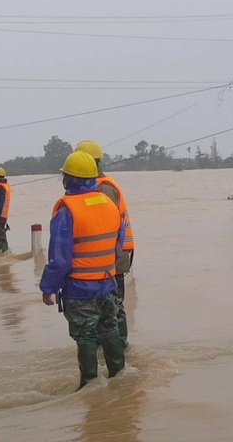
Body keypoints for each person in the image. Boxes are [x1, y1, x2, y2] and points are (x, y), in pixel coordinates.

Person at [40, 151, 126, 390]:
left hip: (79, 289)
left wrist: (48, 288)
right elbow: (117, 246)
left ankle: (89, 387)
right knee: (110, 330)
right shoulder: (109, 204)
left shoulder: (67, 209)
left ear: (70, 178)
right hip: (108, 283)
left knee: (86, 337)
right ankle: (120, 377)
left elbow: (59, 258)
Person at [75, 140, 135, 349]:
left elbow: (105, 225)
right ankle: (112, 347)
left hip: (114, 254)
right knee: (108, 304)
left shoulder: (104, 188)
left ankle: (121, 345)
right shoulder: (99, 186)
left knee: (114, 304)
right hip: (110, 253)